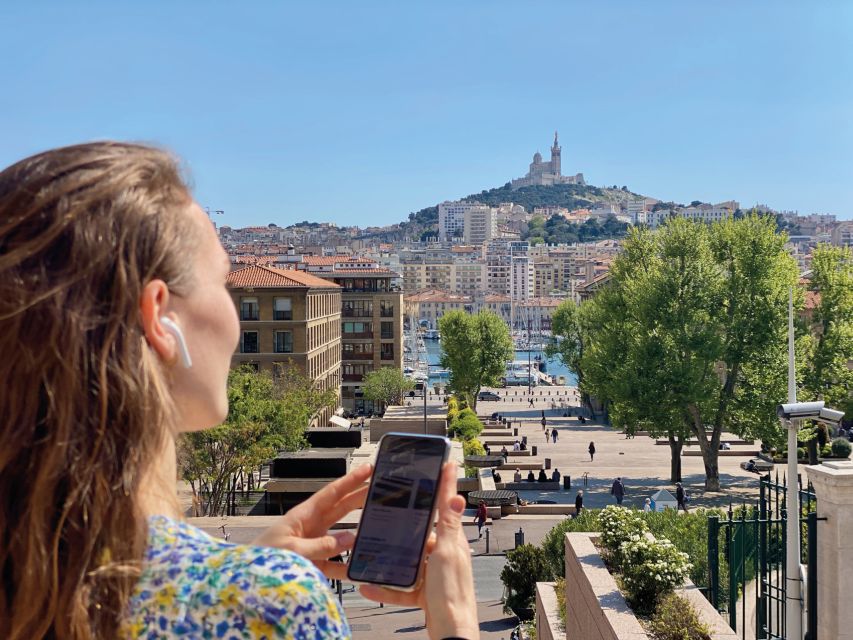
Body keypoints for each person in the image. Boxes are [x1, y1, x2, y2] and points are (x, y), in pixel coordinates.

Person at [0, 143, 480, 640]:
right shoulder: (268, 608)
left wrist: (243, 572)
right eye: (222, 280)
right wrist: (456, 623)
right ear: (160, 316)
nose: (233, 317)